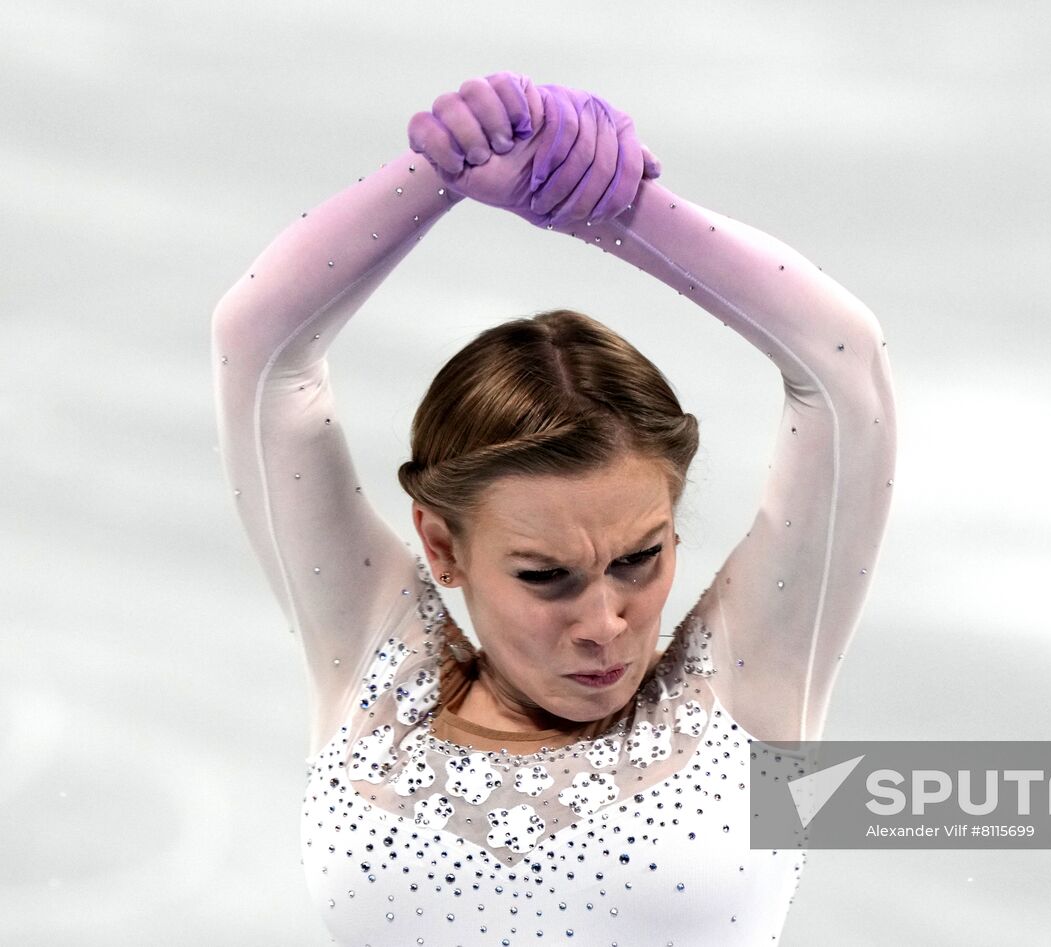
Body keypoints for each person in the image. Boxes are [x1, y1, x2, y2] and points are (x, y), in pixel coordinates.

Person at [211, 71, 896, 945]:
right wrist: (439, 172)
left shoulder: (744, 687)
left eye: (640, 558)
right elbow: (257, 350)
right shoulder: (378, 665)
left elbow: (845, 369)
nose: (605, 622)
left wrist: (618, 210)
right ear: (442, 544)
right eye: (546, 577)